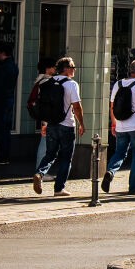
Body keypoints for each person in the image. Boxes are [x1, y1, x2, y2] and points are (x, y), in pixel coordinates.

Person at [33, 58, 83, 196]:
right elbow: (77, 107)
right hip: (67, 125)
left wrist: (45, 124)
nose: (74, 69)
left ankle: (39, 173)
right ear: (65, 68)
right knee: (66, 158)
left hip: (52, 125)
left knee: (50, 154)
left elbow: (44, 105)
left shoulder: (49, 82)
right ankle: (59, 189)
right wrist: (82, 124)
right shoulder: (72, 84)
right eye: (72, 67)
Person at [102, 60, 135, 195]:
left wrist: (114, 123)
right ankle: (134, 187)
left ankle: (110, 171)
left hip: (121, 125)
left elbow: (112, 106)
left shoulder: (118, 84)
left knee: (119, 152)